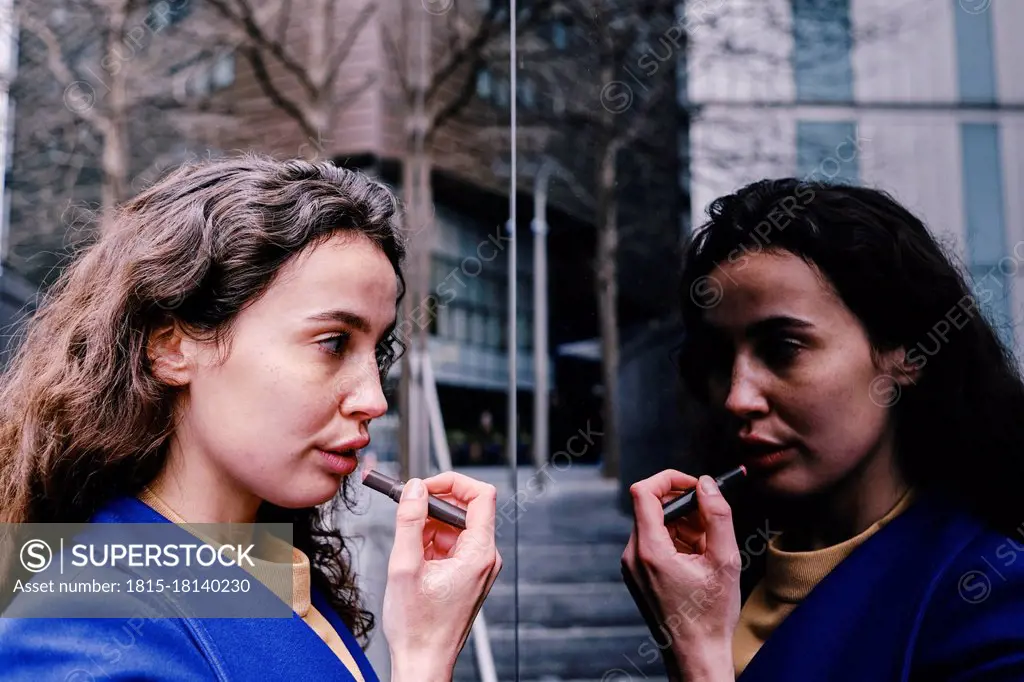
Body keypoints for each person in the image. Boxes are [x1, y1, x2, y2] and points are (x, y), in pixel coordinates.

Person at [0, 154, 502, 681]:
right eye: (333, 343)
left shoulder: (267, 570)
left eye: (376, 354)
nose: (374, 399)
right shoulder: (83, 627)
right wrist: (422, 659)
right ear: (171, 347)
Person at [622, 178, 1024, 681]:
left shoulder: (989, 589)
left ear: (907, 353)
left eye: (783, 349)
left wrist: (698, 657)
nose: (737, 398)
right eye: (721, 359)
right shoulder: (730, 566)